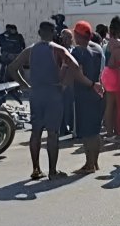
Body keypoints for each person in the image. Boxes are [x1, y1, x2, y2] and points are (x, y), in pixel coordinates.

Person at [9, 21, 81, 180]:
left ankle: (36, 169)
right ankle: (52, 171)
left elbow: (12, 68)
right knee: (52, 133)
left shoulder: (30, 50)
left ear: (39, 33)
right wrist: (65, 84)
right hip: (53, 94)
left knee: (36, 132)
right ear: (53, 33)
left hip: (36, 94)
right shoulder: (58, 49)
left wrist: (25, 85)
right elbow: (75, 65)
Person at [69, 21, 107, 174]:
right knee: (95, 131)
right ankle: (94, 163)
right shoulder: (97, 48)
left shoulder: (77, 51)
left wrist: (91, 84)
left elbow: (77, 74)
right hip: (98, 93)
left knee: (87, 132)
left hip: (85, 93)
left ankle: (89, 164)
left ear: (77, 35)